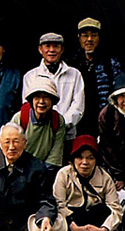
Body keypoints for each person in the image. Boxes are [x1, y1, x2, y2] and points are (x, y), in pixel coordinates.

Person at [46, 135, 123, 231]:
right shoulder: (64, 175)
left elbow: (116, 210)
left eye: (90, 158)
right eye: (80, 157)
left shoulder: (105, 178)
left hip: (95, 224)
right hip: (70, 222)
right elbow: (59, 204)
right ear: (73, 159)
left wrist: (103, 230)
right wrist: (74, 227)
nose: (84, 162)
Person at [23, 32, 85, 162]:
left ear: (62, 49)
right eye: (47, 46)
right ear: (40, 49)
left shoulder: (74, 74)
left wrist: (61, 125)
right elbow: (28, 105)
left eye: (56, 46)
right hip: (39, 136)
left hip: (68, 136)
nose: (51, 50)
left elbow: (78, 106)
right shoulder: (30, 76)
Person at [69, 18, 122, 137]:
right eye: (85, 35)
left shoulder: (110, 63)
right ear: (79, 37)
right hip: (77, 122)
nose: (89, 39)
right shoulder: (71, 64)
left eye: (94, 35)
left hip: (104, 122)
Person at [10, 76, 65, 169]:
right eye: (37, 97)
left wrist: (41, 172)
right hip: (20, 168)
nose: (41, 102)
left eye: (46, 97)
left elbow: (55, 156)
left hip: (45, 170)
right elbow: (11, 149)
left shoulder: (58, 121)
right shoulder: (19, 118)